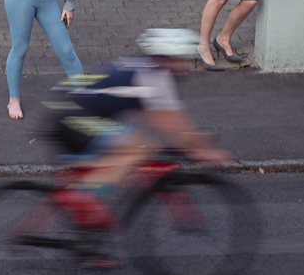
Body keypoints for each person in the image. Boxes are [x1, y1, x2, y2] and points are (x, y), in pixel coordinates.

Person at [43, 28, 232, 235]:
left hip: (71, 114)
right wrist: (202, 150)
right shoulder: (156, 77)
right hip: (76, 121)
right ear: (168, 59)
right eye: (182, 60)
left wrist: (195, 143)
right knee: (140, 149)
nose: (186, 66)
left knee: (130, 148)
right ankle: (81, 194)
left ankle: (88, 242)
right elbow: (172, 126)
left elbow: (169, 121)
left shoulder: (145, 68)